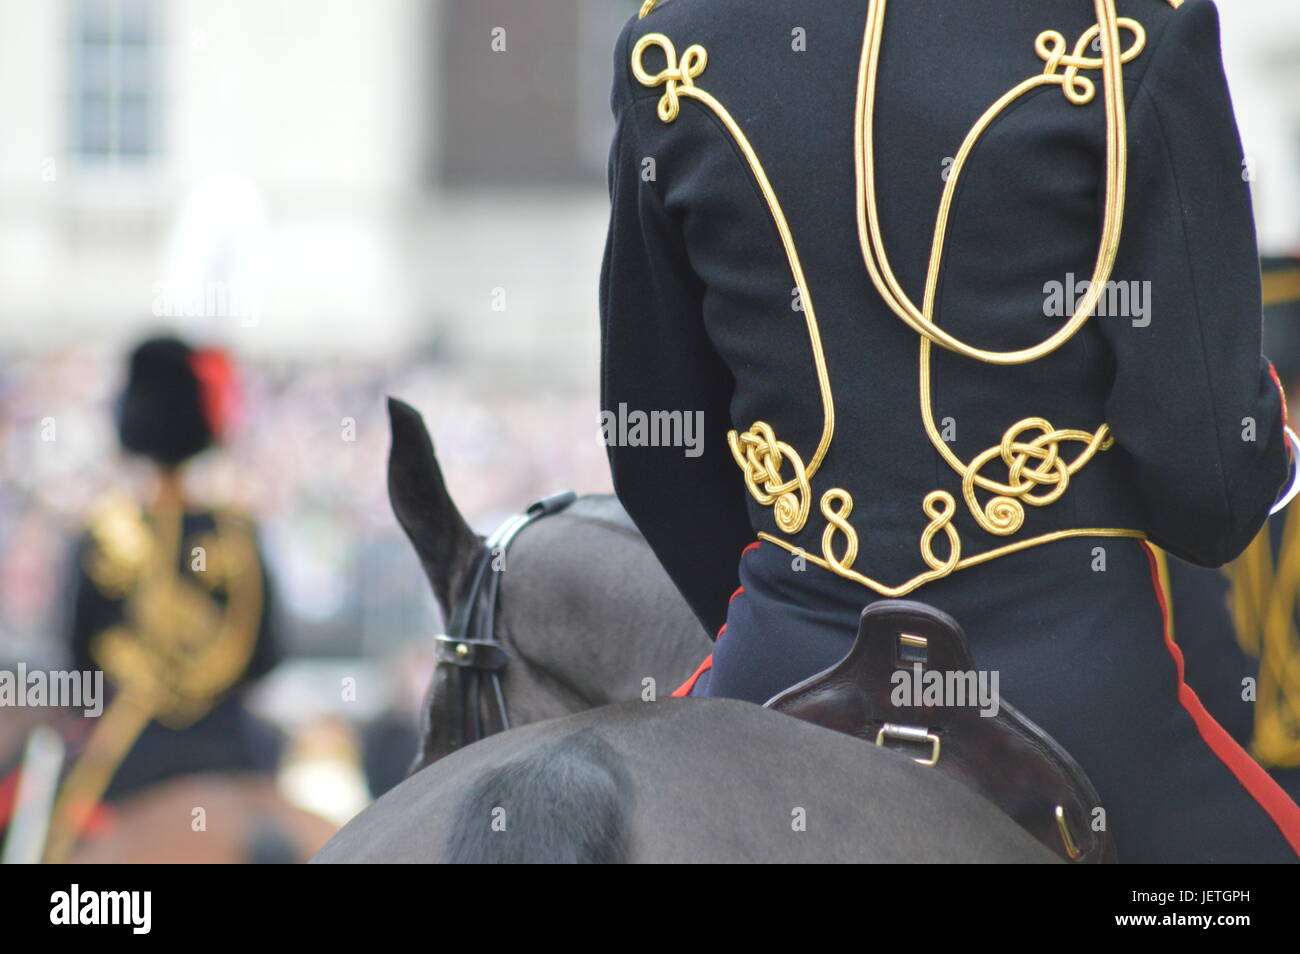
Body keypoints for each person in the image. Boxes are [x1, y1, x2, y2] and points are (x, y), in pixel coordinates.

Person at [600, 0, 1300, 861]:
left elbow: (655, 451)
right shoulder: (1123, 31)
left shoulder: (673, 45)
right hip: (1070, 682)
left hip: (782, 662)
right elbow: (1210, 486)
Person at [44, 335, 281, 861]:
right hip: (234, 745)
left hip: (130, 749)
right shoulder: (238, 532)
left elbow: (76, 656)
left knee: (42, 834)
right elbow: (266, 654)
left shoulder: (102, 531)